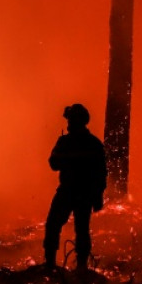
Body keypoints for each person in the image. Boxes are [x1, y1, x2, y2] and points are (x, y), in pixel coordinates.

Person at [43, 103, 108, 271]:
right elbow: (101, 173)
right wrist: (97, 196)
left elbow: (53, 163)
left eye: (71, 120)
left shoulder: (66, 142)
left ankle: (51, 263)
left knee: (54, 224)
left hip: (70, 191)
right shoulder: (94, 143)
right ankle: (81, 266)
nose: (69, 123)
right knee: (81, 229)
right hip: (83, 193)